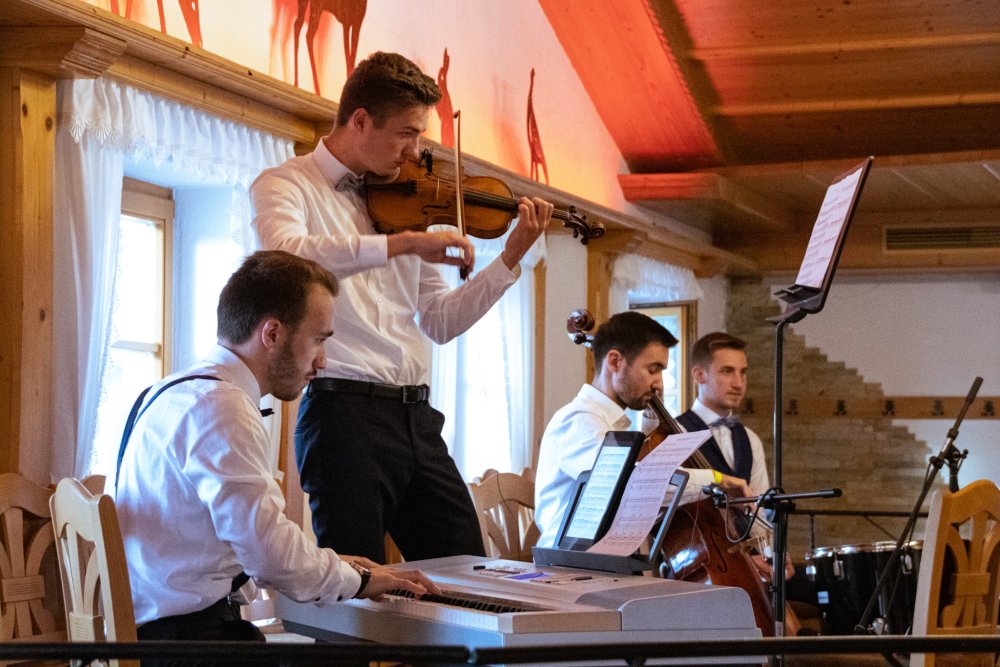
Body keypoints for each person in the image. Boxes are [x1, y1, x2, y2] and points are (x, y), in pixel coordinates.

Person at [250, 51, 553, 563]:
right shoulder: (285, 184)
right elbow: (288, 252)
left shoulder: (407, 201)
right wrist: (402, 245)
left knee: (468, 567)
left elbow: (439, 321)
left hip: (416, 417)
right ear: (360, 120)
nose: (415, 152)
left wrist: (509, 258)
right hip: (342, 413)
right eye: (406, 134)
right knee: (356, 584)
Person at [113, 250, 438, 663]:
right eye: (318, 339)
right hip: (188, 646)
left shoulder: (168, 391)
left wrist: (335, 563)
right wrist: (360, 580)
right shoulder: (222, 408)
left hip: (160, 635)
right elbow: (271, 556)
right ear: (272, 333)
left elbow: (250, 543)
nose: (323, 360)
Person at [534, 312, 752, 549]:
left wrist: (652, 428)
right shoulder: (578, 421)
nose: (659, 383)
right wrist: (717, 480)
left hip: (604, 561)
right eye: (653, 369)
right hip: (567, 563)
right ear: (615, 362)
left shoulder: (612, 424)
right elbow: (634, 485)